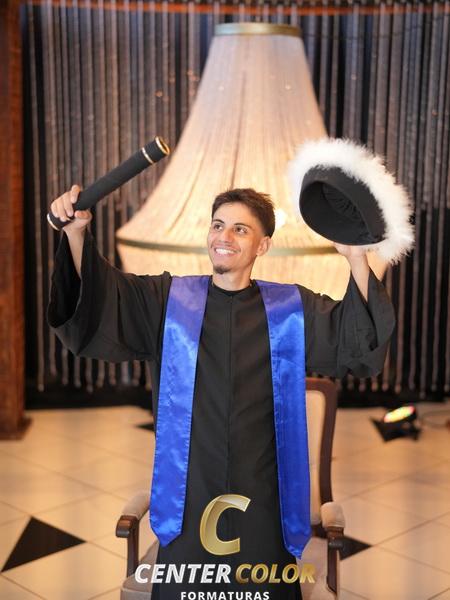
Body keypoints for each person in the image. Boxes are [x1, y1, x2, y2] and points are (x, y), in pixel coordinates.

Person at [48, 185, 395, 600]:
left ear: (263, 245)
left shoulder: (290, 309)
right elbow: (104, 301)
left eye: (240, 229)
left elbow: (356, 342)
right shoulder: (169, 302)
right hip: (189, 495)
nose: (224, 237)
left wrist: (356, 257)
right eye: (217, 225)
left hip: (263, 499)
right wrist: (76, 234)